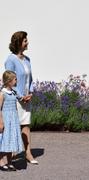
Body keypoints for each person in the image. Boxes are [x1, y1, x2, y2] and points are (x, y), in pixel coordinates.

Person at [4, 31, 38, 164]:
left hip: (26, 99)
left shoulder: (27, 60)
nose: (27, 42)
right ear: (18, 43)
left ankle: (28, 153)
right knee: (12, 126)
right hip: (15, 99)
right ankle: (10, 154)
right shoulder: (10, 60)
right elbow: (9, 80)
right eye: (25, 40)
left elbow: (31, 79)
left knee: (26, 125)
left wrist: (30, 92)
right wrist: (20, 96)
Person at [0, 70, 23, 171]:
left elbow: (19, 100)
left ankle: (9, 162)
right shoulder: (2, 94)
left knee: (11, 142)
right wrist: (1, 122)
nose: (16, 80)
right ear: (9, 81)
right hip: (6, 120)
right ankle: (1, 161)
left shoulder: (13, 92)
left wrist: (25, 98)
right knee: (5, 141)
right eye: (15, 79)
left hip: (13, 120)